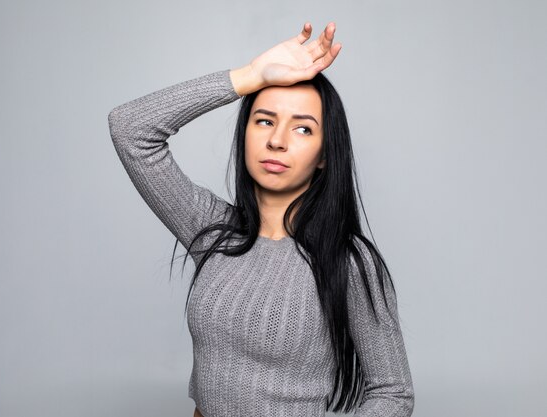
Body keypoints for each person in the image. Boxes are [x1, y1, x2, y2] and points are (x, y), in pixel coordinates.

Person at [108, 22, 414, 417]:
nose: (277, 140)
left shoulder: (348, 261)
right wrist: (251, 76)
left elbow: (393, 394)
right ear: (246, 132)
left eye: (303, 128)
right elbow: (130, 129)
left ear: (324, 155)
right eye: (265, 120)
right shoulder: (212, 231)